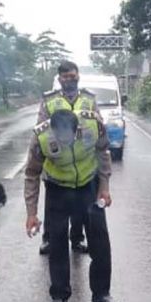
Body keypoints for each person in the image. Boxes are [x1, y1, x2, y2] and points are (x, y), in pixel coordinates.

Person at [24, 104, 120, 302]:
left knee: (100, 240)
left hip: (88, 185)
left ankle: (102, 293)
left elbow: (103, 152)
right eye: (60, 138)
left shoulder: (93, 124)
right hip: (57, 189)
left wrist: (104, 187)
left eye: (68, 138)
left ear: (77, 129)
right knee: (57, 243)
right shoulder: (40, 137)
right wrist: (31, 213)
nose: (64, 143)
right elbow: (31, 174)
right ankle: (59, 295)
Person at [37, 61, 90, 256]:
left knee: (79, 208)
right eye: (66, 76)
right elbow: (41, 127)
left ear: (78, 76)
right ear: (60, 79)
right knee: (53, 209)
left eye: (73, 75)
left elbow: (96, 122)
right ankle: (49, 239)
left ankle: (77, 239)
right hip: (57, 161)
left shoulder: (88, 98)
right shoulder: (49, 100)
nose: (70, 79)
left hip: (81, 161)